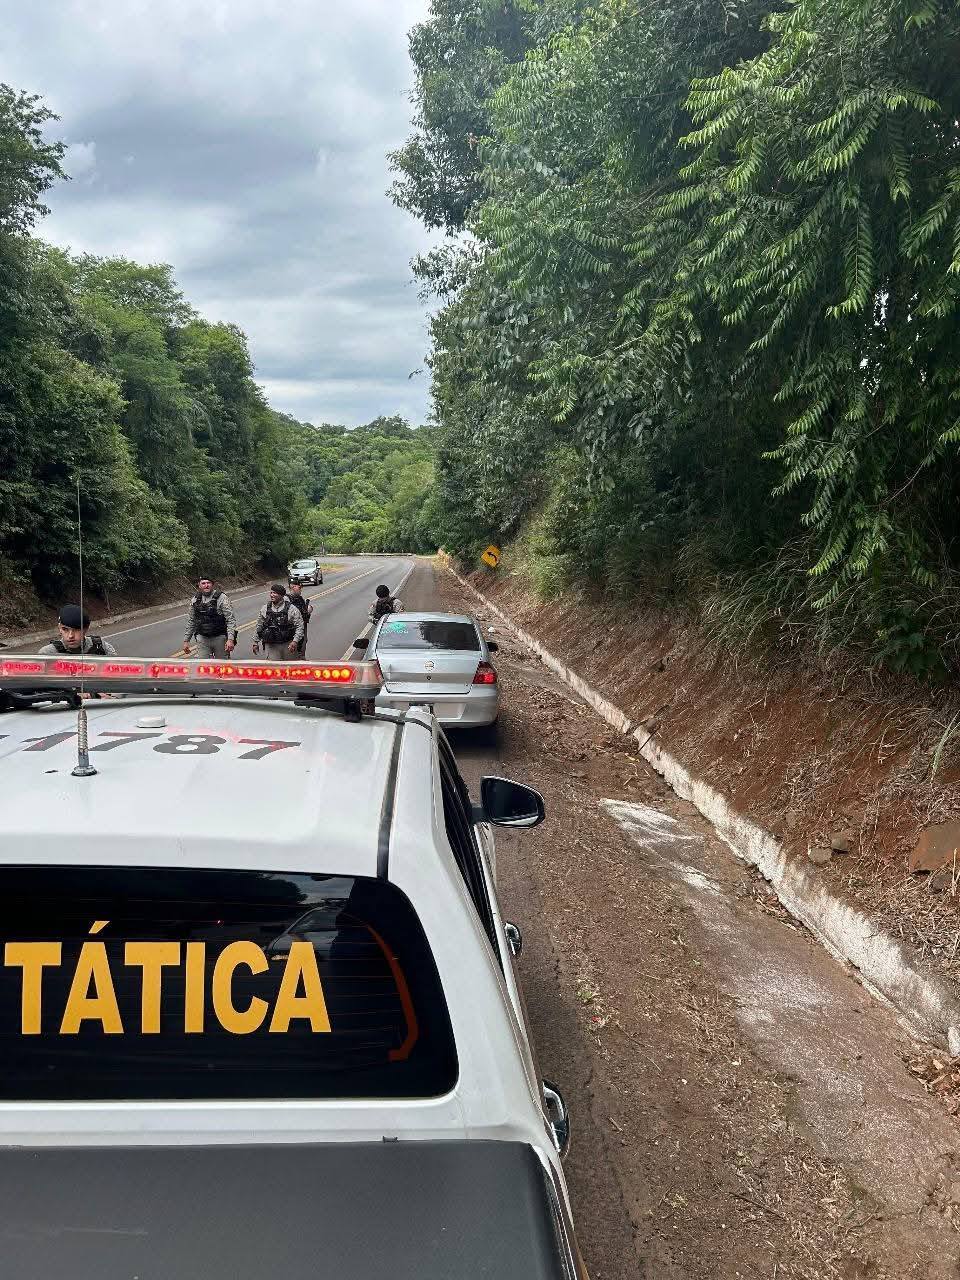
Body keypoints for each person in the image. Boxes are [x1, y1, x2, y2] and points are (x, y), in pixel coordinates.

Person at [182, 577, 237, 659]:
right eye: (203, 583)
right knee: (204, 667)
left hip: (220, 638)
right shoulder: (195, 600)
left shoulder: (222, 598)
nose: (206, 585)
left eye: (208, 583)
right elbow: (192, 621)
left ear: (212, 585)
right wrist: (186, 641)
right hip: (202, 638)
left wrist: (230, 639)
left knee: (222, 667)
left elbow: (230, 620)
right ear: (199, 586)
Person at [39, 605, 118, 656]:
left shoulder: (101, 647)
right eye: (65, 629)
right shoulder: (47, 654)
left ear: (86, 629)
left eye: (76, 630)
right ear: (59, 628)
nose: (70, 636)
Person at [252, 584, 304, 660]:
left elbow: (299, 626)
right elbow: (259, 626)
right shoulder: (265, 609)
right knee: (274, 669)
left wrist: (295, 641)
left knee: (289, 669)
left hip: (288, 645)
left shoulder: (292, 609)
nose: (272, 595)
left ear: (281, 595)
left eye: (275, 593)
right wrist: (255, 642)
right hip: (272, 646)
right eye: (271, 593)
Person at [286, 581, 313, 657]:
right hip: (293, 629)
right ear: (293, 587)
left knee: (303, 643)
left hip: (302, 626)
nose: (301, 590)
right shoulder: (286, 599)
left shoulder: (299, 599)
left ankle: (301, 658)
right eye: (300, 587)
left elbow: (304, 611)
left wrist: (308, 610)